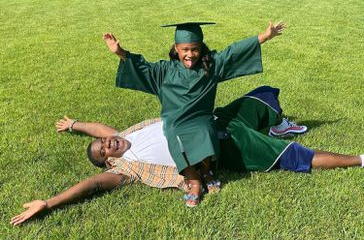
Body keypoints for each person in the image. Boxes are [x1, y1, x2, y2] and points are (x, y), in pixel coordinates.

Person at [10, 87, 364, 225]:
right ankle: (359, 159)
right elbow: (91, 184)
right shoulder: (128, 169)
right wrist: (50, 202)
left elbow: (99, 128)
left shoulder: (127, 133)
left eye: (105, 142)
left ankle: (276, 124)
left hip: (215, 119)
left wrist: (75, 124)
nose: (107, 145)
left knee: (262, 96)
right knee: (296, 157)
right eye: (104, 152)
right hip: (222, 145)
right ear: (109, 162)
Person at [103, 21, 285, 206]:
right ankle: (194, 181)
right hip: (174, 121)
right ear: (176, 48)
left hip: (201, 118)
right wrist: (120, 52)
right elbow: (142, 67)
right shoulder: (164, 72)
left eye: (195, 49)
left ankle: (207, 172)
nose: (190, 55)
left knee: (205, 130)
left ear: (201, 48)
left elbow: (233, 52)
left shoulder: (210, 66)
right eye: (185, 50)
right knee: (174, 133)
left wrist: (265, 36)